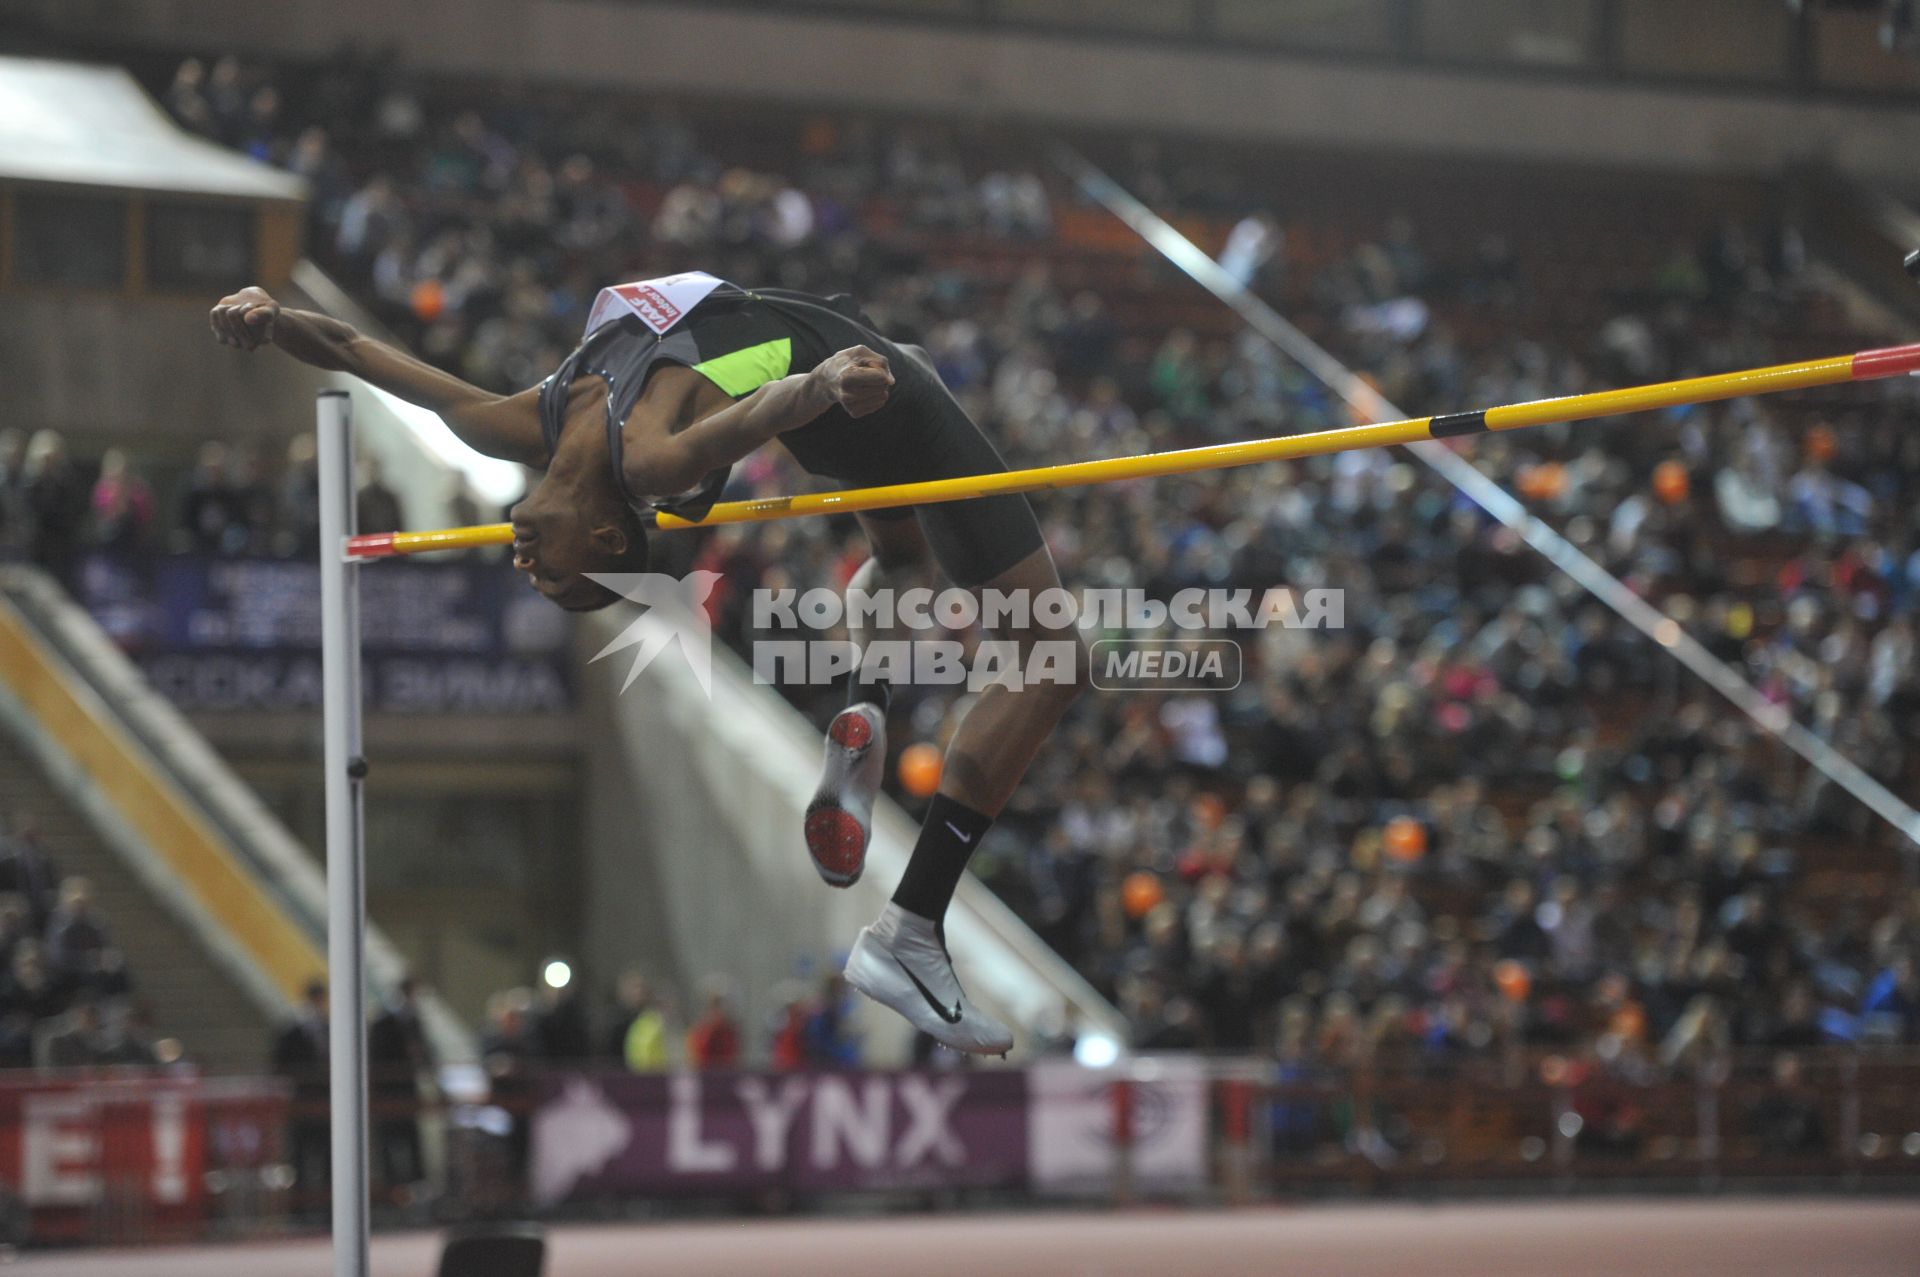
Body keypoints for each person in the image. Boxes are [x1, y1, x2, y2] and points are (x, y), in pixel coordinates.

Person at [212, 276, 1087, 1055]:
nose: (526, 564)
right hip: (866, 391)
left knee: (902, 566)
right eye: (557, 573)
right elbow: (757, 413)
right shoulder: (651, 457)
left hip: (838, 377)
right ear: (603, 534)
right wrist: (820, 384)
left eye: (540, 576)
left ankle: (863, 714)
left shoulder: (526, 423)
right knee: (1052, 658)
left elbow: (361, 350)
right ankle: (912, 924)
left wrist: (275, 316)